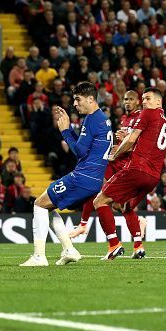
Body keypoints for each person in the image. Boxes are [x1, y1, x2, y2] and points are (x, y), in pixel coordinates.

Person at [20, 82, 112, 267]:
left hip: (83, 177)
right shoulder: (103, 119)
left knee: (39, 204)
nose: (75, 104)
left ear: (91, 99)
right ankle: (69, 250)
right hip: (93, 179)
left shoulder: (92, 119)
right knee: (48, 205)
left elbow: (79, 151)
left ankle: (39, 257)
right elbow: (86, 149)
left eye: (78, 99)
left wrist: (65, 131)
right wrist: (69, 130)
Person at [93, 88, 166, 260]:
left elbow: (131, 139)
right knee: (125, 206)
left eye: (148, 98)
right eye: (143, 99)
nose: (144, 102)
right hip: (153, 177)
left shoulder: (147, 114)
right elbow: (151, 146)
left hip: (137, 169)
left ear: (158, 102)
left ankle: (114, 244)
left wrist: (116, 154)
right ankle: (138, 246)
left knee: (100, 201)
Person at [69, 90, 148, 257]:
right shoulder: (124, 119)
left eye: (131, 99)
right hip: (116, 161)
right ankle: (138, 245)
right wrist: (117, 144)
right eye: (125, 99)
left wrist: (127, 140)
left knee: (101, 193)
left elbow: (144, 144)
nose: (127, 102)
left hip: (128, 166)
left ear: (138, 102)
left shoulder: (142, 117)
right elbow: (125, 142)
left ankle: (89, 228)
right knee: (119, 204)